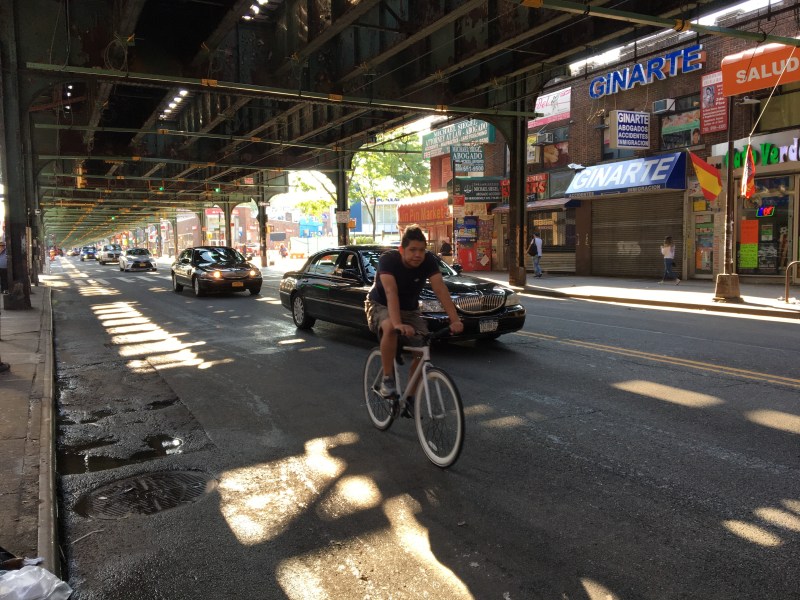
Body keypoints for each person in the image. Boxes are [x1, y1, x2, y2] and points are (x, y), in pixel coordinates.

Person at [365, 225, 464, 409]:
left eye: (421, 250)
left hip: (410, 310)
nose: (418, 254)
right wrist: (397, 324)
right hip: (381, 304)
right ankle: (387, 379)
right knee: (390, 328)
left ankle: (409, 398)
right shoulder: (389, 260)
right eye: (412, 250)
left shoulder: (428, 261)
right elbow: (390, 291)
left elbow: (440, 289)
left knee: (423, 349)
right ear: (401, 249)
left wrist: (455, 319)